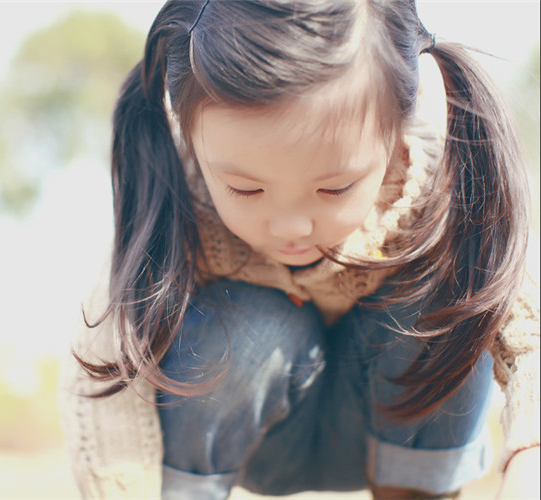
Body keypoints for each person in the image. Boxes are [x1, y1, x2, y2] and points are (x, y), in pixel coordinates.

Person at [60, 1, 540, 498]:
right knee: (249, 326)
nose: (291, 225)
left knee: (447, 300)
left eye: (334, 189)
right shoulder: (174, 193)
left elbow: (533, 341)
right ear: (191, 138)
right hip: (248, 438)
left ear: (398, 126)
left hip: (399, 428)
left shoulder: (451, 174)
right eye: (246, 190)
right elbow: (106, 384)